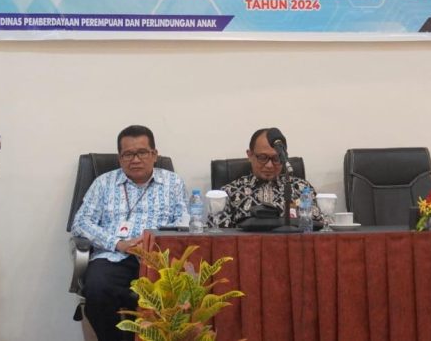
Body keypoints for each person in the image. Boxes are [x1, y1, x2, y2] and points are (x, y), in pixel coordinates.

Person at [71, 125, 188, 341]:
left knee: (180, 293)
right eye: (128, 154)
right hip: (113, 257)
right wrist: (119, 243)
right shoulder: (103, 183)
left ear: (154, 154)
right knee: (97, 289)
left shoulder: (173, 182)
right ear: (120, 158)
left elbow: (183, 223)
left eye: (142, 152)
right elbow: (81, 223)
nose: (135, 160)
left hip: (157, 259)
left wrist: (153, 243)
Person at [209, 127, 322, 228]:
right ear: (250, 155)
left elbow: (320, 230)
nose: (269, 165)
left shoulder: (302, 189)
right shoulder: (229, 193)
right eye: (263, 157)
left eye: (276, 158)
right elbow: (216, 236)